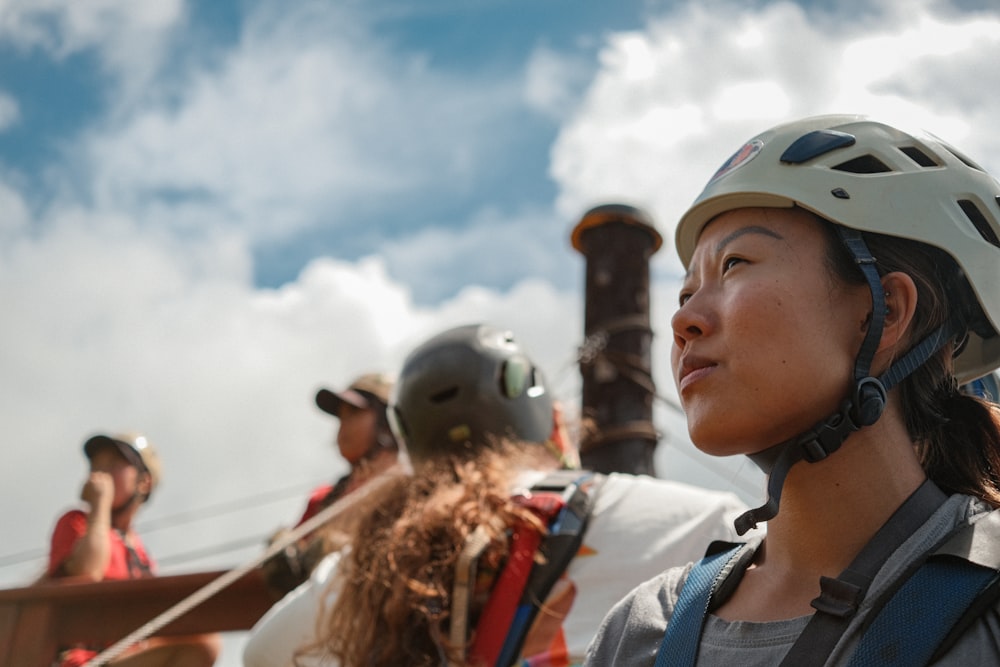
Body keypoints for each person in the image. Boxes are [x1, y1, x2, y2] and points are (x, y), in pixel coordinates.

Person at [585, 114, 1000, 665]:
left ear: (886, 310)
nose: (684, 321)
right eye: (686, 291)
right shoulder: (641, 630)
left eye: (735, 264)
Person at [243, 323, 754, 667]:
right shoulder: (699, 523)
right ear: (552, 423)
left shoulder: (360, 570)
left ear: (411, 439)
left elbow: (260, 653)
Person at [46, 432, 221, 667]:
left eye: (115, 464)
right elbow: (86, 573)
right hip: (78, 663)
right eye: (96, 465)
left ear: (143, 482)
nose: (100, 471)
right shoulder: (76, 522)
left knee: (204, 643)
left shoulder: (141, 555)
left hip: (119, 658)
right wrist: (99, 507)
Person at [261, 373, 400, 598]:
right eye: (341, 417)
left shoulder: (414, 486)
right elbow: (300, 555)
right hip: (325, 614)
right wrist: (285, 550)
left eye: (354, 412)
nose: (343, 426)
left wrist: (335, 549)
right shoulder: (323, 500)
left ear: (388, 418)